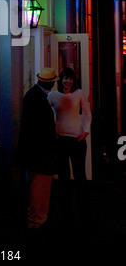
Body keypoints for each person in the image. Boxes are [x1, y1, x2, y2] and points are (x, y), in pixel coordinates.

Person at [47, 67, 92, 225]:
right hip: (61, 141)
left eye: (71, 78)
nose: (68, 81)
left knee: (80, 176)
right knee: (64, 177)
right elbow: (45, 115)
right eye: (65, 78)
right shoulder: (53, 95)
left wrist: (85, 131)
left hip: (77, 140)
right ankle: (66, 212)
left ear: (74, 80)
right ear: (61, 79)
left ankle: (84, 211)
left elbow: (87, 113)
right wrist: (53, 131)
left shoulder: (79, 93)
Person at [17, 67, 59, 231]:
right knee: (40, 188)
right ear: (50, 83)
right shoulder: (40, 98)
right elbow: (43, 128)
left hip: (32, 152)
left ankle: (33, 217)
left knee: (33, 185)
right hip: (41, 153)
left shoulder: (31, 95)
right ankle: (37, 220)